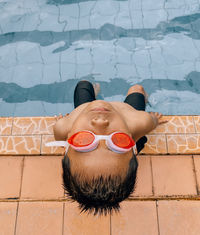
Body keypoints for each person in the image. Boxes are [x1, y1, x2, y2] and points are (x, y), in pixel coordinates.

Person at [49, 80, 167, 215]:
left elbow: (62, 133)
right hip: (126, 113)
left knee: (84, 85)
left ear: (66, 147)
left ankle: (95, 90)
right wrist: (154, 120)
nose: (100, 122)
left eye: (82, 139)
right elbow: (151, 122)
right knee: (137, 88)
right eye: (118, 141)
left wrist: (63, 121)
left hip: (86, 109)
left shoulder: (62, 127)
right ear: (133, 148)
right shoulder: (140, 122)